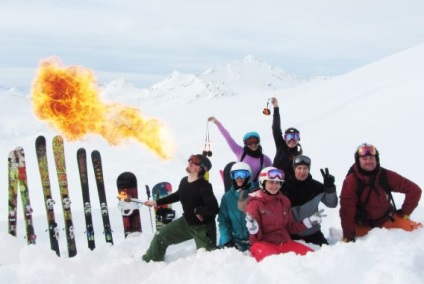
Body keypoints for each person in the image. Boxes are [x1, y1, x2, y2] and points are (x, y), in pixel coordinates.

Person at [142, 154, 219, 262]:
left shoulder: (204, 186)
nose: (190, 162)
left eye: (195, 161)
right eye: (190, 159)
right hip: (186, 223)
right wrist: (156, 202)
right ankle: (150, 261)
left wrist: (198, 210)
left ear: (202, 168)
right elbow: (178, 195)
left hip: (203, 229)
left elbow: (214, 208)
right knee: (160, 236)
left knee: (207, 259)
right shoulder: (184, 181)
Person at [340, 143, 422, 242]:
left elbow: (414, 190)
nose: (369, 161)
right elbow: (347, 210)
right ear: (358, 161)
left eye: (371, 158)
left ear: (377, 159)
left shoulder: (386, 175)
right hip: (362, 226)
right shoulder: (351, 181)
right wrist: (348, 235)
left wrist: (405, 213)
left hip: (387, 220)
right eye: (364, 159)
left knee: (419, 232)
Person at [245, 166, 325, 261]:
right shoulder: (255, 203)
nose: (275, 186)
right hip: (263, 245)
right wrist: (254, 231)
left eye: (277, 183)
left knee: (312, 257)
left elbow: (290, 227)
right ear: (263, 183)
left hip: (284, 243)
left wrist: (309, 221)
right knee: (274, 262)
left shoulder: (284, 201)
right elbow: (255, 240)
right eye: (271, 182)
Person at [281, 155, 338, 246]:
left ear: (309, 169)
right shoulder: (284, 188)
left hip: (312, 232)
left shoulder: (317, 187)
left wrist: (329, 188)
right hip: (291, 234)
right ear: (294, 169)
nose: (302, 171)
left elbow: (332, 204)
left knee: (325, 254)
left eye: (305, 168)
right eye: (299, 168)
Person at [208, 116, 272, 186]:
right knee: (231, 165)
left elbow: (270, 173)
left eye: (255, 141)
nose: (253, 144)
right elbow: (228, 137)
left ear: (258, 141)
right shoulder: (240, 151)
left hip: (254, 187)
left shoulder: (265, 159)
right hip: (239, 184)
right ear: (245, 143)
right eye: (249, 142)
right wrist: (218, 123)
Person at [217, 162, 256, 251]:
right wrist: (227, 241)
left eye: (243, 174)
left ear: (249, 176)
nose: (239, 178)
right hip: (235, 241)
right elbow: (223, 221)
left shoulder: (256, 195)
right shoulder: (227, 197)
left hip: (254, 241)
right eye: (235, 174)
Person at [270, 97, 302, 181]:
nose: (291, 140)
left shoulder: (299, 155)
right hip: (274, 181)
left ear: (298, 139)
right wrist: (276, 108)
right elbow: (276, 128)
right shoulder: (281, 146)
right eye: (288, 137)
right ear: (285, 139)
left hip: (288, 186)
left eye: (294, 137)